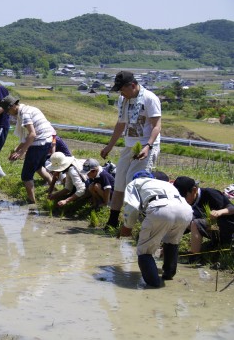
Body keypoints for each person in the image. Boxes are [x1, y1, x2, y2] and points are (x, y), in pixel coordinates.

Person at [100, 71, 162, 230]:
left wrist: (148, 146)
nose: (121, 93)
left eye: (122, 89)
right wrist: (109, 145)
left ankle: (134, 224)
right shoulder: (123, 99)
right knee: (119, 182)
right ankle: (112, 221)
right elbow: (121, 124)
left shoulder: (149, 99)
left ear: (133, 86)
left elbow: (157, 126)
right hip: (129, 146)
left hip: (145, 147)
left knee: (133, 184)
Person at [120, 171, 192, 288]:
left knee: (144, 251)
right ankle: (168, 275)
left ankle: (154, 286)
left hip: (161, 209)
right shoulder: (165, 184)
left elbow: (132, 208)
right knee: (172, 241)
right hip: (185, 211)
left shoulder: (134, 183)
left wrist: (127, 228)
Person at [3, 95, 56, 204]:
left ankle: (31, 201)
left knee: (26, 175)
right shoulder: (28, 108)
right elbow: (27, 137)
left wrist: (21, 153)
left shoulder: (24, 114)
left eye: (7, 111)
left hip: (39, 142)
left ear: (12, 106)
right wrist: (16, 149)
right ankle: (53, 188)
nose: (8, 114)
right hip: (48, 140)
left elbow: (32, 135)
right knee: (38, 167)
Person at [173, 176, 234, 259]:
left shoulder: (210, 193)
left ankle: (194, 256)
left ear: (194, 190)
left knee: (196, 223)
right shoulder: (187, 203)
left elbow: (232, 208)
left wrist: (219, 212)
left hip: (228, 228)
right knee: (184, 219)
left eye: (184, 197)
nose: (182, 201)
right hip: (213, 229)